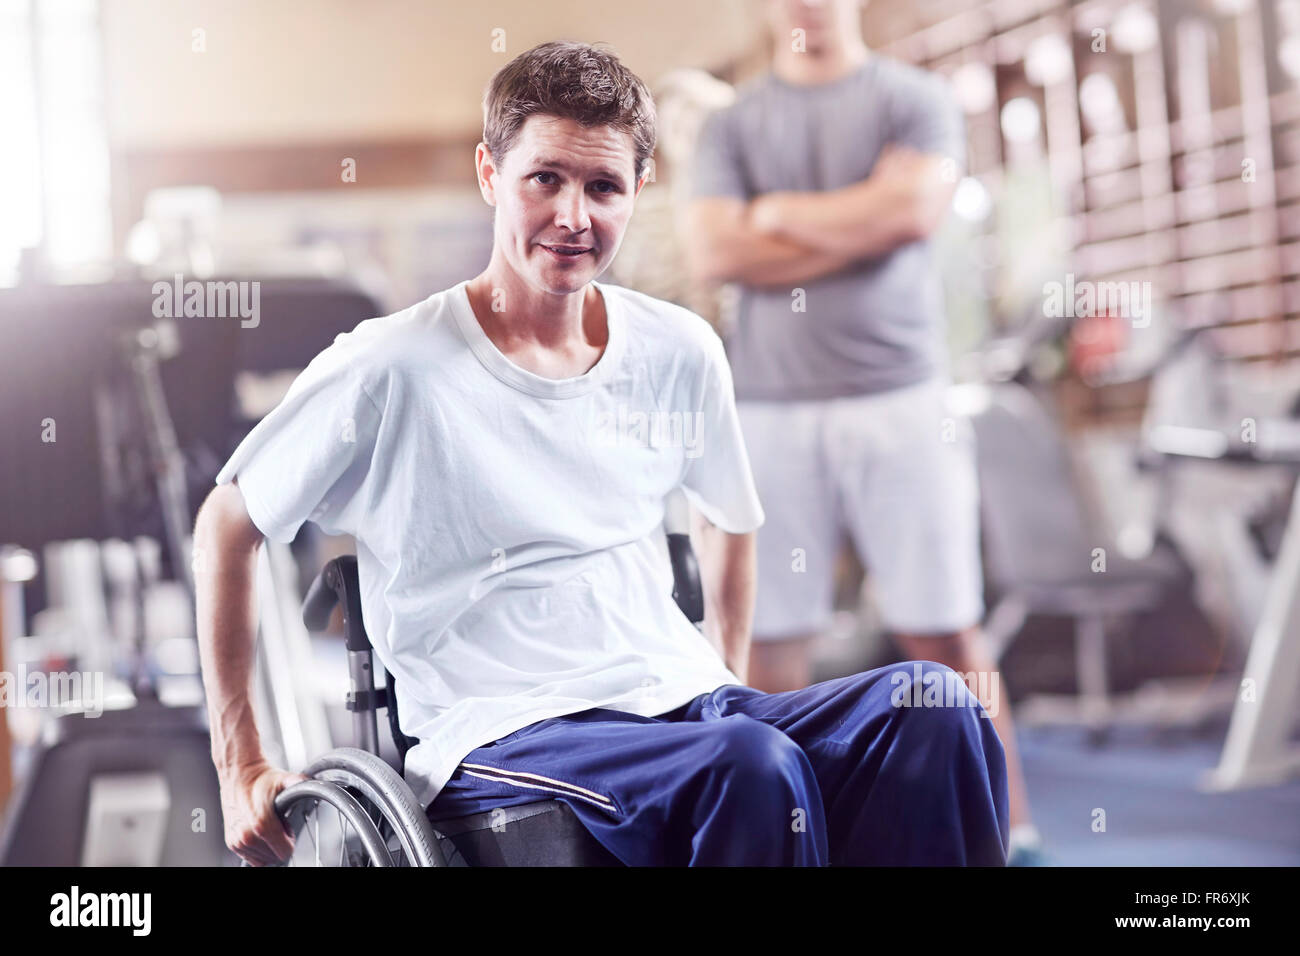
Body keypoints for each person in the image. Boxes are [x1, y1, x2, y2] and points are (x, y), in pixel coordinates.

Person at [193, 39, 1008, 867]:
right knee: (750, 768)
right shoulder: (390, 364)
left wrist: (718, 676)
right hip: (503, 731)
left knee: (936, 707)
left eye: (603, 186)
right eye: (545, 178)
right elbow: (228, 522)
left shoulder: (679, 350)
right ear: (490, 175)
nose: (573, 217)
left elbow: (730, 517)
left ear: (638, 192)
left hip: (681, 707)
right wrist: (240, 765)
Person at [685, 0, 1045, 864]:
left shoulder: (914, 98)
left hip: (903, 400)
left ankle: (1015, 832)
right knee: (766, 644)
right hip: (769, 408)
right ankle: (794, 837)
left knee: (949, 633)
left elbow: (913, 215)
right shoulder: (733, 124)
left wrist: (771, 214)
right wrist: (859, 217)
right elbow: (714, 253)